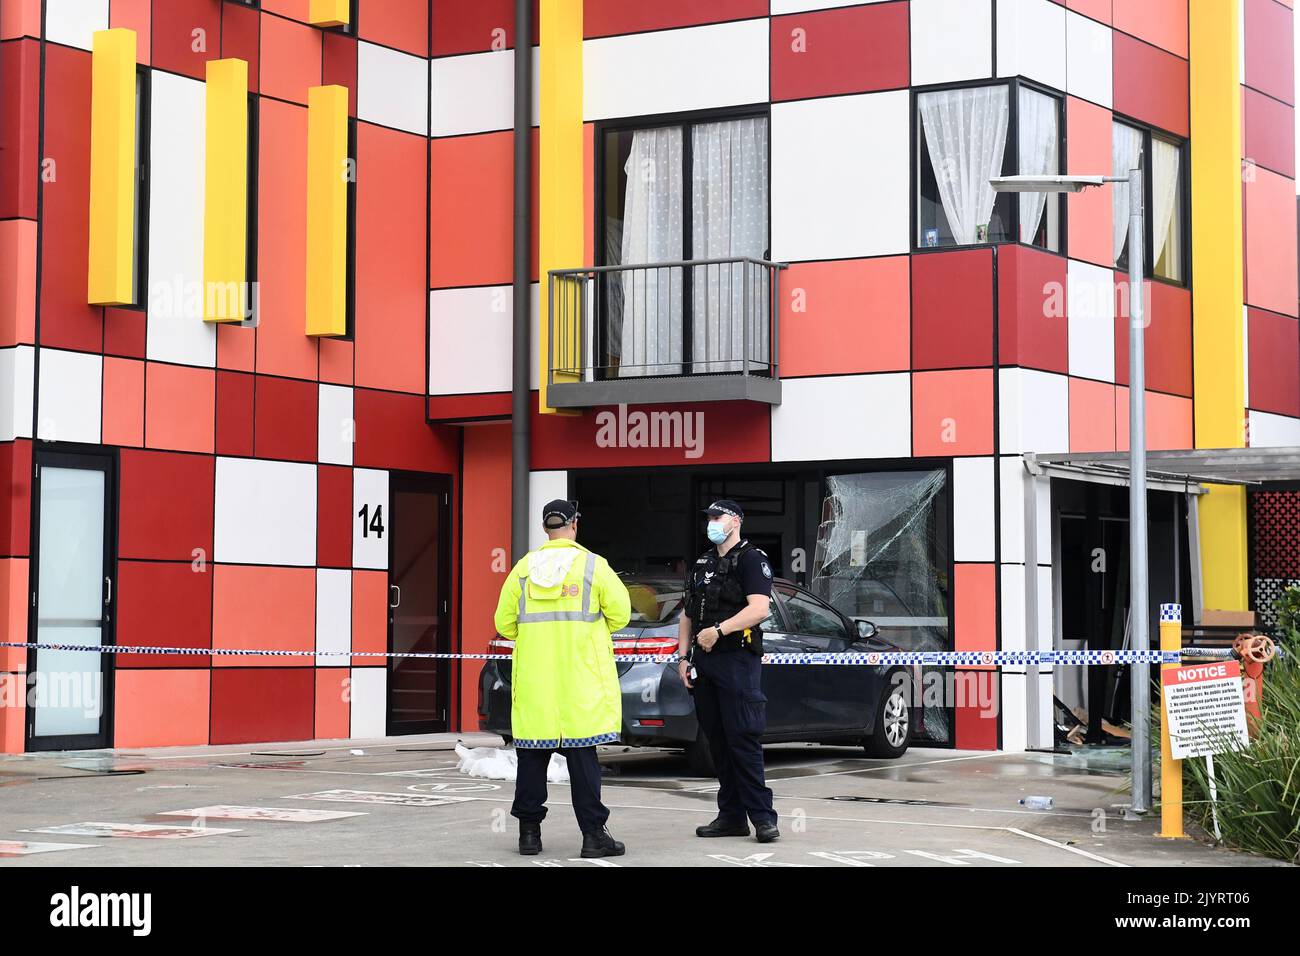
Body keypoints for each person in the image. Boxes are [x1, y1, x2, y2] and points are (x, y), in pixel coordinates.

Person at [493, 499, 632, 858]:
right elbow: (620, 614)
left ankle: (528, 835)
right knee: (583, 761)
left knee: (531, 760)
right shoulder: (593, 566)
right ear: (574, 525)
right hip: (580, 683)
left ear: (545, 529)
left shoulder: (523, 570)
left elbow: (503, 624)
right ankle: (592, 836)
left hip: (537, 684)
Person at [677, 499, 779, 843]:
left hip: (736, 660)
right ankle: (732, 816)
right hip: (703, 663)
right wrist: (682, 658)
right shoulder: (702, 563)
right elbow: (687, 615)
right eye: (709, 517)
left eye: (717, 517)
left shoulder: (753, 559)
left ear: (735, 520)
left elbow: (760, 609)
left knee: (742, 738)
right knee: (717, 742)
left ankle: (763, 818)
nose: (711, 523)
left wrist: (720, 630)